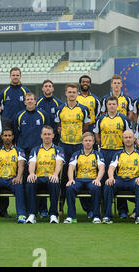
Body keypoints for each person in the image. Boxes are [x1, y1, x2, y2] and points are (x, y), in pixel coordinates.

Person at [54, 83, 91, 214]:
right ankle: (61, 205)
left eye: (74, 92)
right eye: (69, 92)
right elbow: (58, 127)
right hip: (64, 146)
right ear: (66, 93)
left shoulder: (83, 109)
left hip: (78, 146)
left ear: (77, 93)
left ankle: (88, 208)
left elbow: (86, 127)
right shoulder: (60, 109)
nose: (71, 94)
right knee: (63, 177)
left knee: (82, 175)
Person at [94, 95, 131, 218]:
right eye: (109, 104)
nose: (111, 106)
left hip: (119, 152)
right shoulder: (101, 119)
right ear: (106, 106)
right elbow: (97, 136)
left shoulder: (123, 119)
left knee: (118, 180)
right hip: (105, 152)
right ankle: (105, 210)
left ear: (117, 105)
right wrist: (102, 146)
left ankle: (122, 210)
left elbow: (127, 134)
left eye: (113, 104)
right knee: (105, 181)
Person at [102, 130, 139, 224]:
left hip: (134, 179)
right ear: (122, 139)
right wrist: (111, 177)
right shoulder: (118, 154)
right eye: (126, 137)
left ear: (134, 139)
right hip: (120, 180)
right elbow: (111, 167)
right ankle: (107, 216)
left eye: (130, 137)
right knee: (108, 185)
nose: (128, 139)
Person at [26, 126, 64, 224]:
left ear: (53, 136)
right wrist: (31, 173)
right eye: (45, 134)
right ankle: (32, 214)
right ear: (41, 136)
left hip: (51, 177)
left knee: (54, 182)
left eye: (49, 134)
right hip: (39, 178)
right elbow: (32, 163)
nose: (47, 136)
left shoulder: (58, 149)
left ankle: (53, 215)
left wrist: (55, 174)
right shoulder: (35, 149)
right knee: (30, 182)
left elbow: (59, 162)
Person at [64, 132, 104, 224]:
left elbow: (101, 168)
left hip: (92, 180)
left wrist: (98, 179)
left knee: (96, 188)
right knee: (70, 188)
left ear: (93, 142)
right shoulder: (76, 154)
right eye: (86, 141)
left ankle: (96, 216)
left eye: (90, 141)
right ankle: (71, 216)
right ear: (82, 142)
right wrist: (70, 179)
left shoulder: (98, 154)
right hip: (79, 180)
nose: (88, 143)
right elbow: (71, 167)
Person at [36, 80, 63, 145]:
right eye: (46, 86)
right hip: (40, 135)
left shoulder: (58, 103)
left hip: (55, 135)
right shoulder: (37, 102)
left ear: (53, 89)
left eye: (49, 86)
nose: (48, 88)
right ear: (42, 88)